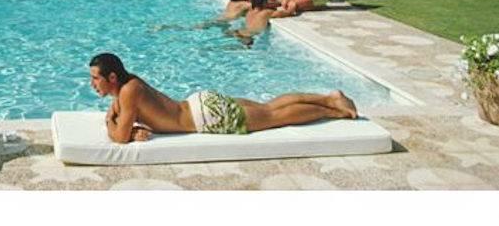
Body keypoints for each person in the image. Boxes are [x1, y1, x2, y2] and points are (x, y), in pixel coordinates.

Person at [87, 52, 357, 143]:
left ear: (112, 78)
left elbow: (119, 137)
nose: (92, 84)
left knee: (275, 116)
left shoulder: (128, 92)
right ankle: (329, 97)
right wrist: (125, 124)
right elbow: (124, 117)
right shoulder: (128, 84)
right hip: (200, 105)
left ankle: (333, 110)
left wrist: (110, 122)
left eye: (95, 78)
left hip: (208, 117)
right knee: (268, 107)